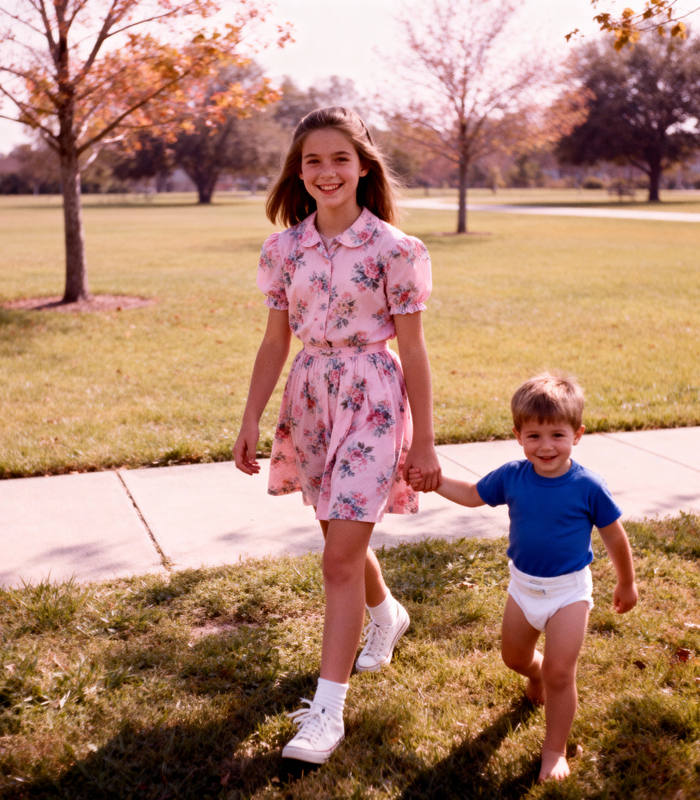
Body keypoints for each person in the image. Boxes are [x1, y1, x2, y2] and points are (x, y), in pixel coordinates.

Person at [233, 106, 442, 765]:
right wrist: (251, 418)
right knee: (337, 538)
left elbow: (415, 352)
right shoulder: (282, 249)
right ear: (299, 172)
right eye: (312, 161)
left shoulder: (396, 251)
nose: (326, 172)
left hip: (373, 401)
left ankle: (327, 713)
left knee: (337, 559)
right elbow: (274, 343)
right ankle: (387, 615)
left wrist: (428, 441)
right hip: (310, 399)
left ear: (363, 167)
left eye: (339, 159)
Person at [410, 371, 637, 782]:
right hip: (523, 588)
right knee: (514, 658)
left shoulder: (587, 486)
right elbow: (473, 494)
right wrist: (435, 482)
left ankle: (555, 751)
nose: (546, 446)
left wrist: (626, 582)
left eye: (557, 435)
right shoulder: (513, 476)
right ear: (518, 435)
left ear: (578, 435)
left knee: (560, 672)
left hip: (568, 592)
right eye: (534, 436)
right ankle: (535, 674)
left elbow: (615, 537)